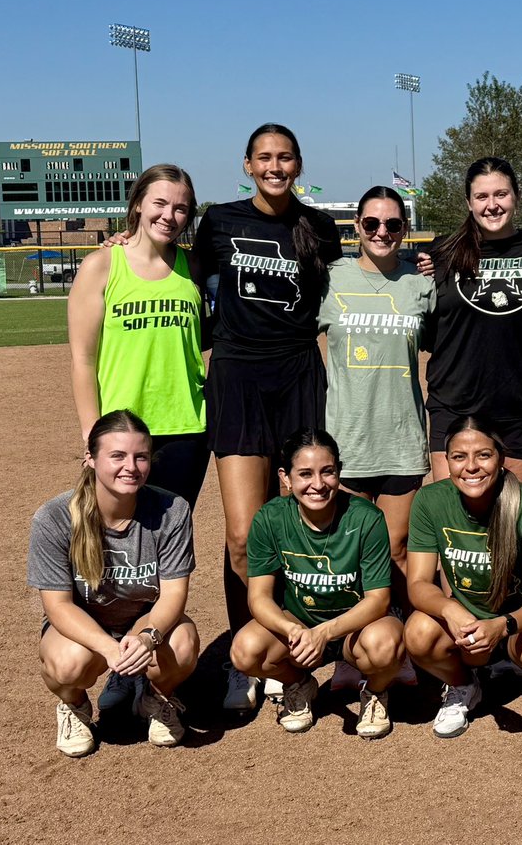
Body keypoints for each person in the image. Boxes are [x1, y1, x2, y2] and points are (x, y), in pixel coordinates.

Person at [195, 123, 343, 709]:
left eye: (285, 157)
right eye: (264, 157)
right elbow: (174, 262)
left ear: (298, 165)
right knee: (241, 533)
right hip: (236, 376)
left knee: (299, 519)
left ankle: (291, 654)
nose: (275, 166)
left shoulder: (319, 227)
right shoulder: (220, 221)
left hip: (298, 376)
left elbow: (362, 275)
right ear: (248, 165)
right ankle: (247, 650)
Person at [27, 410, 198, 757]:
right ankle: (74, 705)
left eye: (140, 457)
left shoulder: (173, 510)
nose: (130, 467)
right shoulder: (56, 517)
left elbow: (174, 594)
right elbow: (58, 606)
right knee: (67, 664)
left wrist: (148, 637)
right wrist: (108, 649)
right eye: (117, 456)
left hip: (143, 620)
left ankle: (154, 697)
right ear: (90, 458)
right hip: (85, 624)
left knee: (182, 647)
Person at [405, 416, 522, 738]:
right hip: (468, 624)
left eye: (483, 455)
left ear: (500, 458)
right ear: (447, 461)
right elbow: (417, 583)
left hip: (521, 625)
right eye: (459, 457)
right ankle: (463, 685)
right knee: (418, 634)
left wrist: (503, 625)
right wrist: (451, 610)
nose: (471, 466)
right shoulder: (430, 500)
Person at [229, 429, 403, 737]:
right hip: (299, 622)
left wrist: (324, 633)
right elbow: (259, 598)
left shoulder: (366, 518)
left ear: (339, 472)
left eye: (328, 472)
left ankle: (375, 692)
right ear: (285, 477)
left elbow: (378, 600)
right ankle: (297, 684)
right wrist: (292, 630)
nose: (318, 484)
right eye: (305, 474)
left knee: (385, 646)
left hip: (356, 626)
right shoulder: (270, 518)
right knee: (245, 651)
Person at [319, 185, 434, 606]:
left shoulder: (419, 284)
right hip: (347, 438)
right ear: (357, 227)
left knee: (396, 548)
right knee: (349, 550)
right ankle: (355, 647)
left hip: (401, 437)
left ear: (404, 229)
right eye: (372, 223)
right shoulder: (332, 278)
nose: (381, 231)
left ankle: (399, 642)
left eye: (392, 224)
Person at [68, 164, 208, 508]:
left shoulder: (194, 267)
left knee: (171, 536)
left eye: (180, 208)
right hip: (121, 426)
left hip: (186, 426)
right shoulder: (101, 266)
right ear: (138, 206)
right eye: (159, 203)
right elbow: (83, 359)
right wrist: (92, 432)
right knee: (115, 536)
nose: (169, 215)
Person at [423, 158, 522, 490]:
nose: (492, 205)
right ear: (469, 202)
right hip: (456, 407)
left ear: (516, 196)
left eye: (501, 194)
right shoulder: (441, 254)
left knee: (509, 522)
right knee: (456, 524)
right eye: (482, 196)